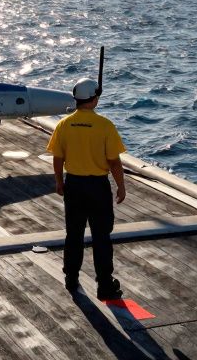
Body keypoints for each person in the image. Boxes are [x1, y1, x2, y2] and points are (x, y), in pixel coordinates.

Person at [46, 77, 127, 299]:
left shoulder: (64, 125)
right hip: (98, 187)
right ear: (94, 99)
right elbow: (114, 162)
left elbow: (58, 158)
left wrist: (59, 181)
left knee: (74, 234)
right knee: (101, 236)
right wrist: (121, 186)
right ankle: (104, 285)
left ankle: (71, 277)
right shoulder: (105, 125)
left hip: (74, 185)